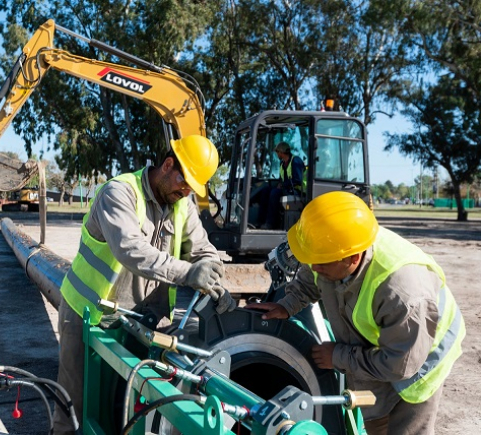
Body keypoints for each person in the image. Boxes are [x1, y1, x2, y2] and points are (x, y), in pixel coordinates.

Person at [54, 135, 235, 434]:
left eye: (192, 187)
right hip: (87, 315)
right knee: (75, 405)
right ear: (167, 165)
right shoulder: (119, 193)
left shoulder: (183, 204)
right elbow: (131, 250)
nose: (186, 190)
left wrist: (214, 279)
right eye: (184, 181)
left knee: (121, 404)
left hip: (141, 321)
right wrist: (188, 274)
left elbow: (202, 248)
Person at [247, 191, 465, 435]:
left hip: (419, 355)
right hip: (383, 345)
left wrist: (338, 356)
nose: (314, 266)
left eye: (320, 262)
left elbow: (400, 365)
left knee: (405, 426)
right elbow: (311, 279)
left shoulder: (402, 292)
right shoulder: (330, 250)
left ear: (353, 257)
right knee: (375, 417)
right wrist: (287, 305)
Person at [255, 141, 305, 229]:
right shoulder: (282, 164)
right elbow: (282, 179)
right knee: (265, 191)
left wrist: (283, 185)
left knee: (274, 194)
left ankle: (271, 224)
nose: (277, 154)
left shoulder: (295, 161)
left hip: (295, 191)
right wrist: (280, 184)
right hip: (286, 189)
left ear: (281, 152)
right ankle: (260, 222)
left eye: (277, 152)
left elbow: (298, 180)